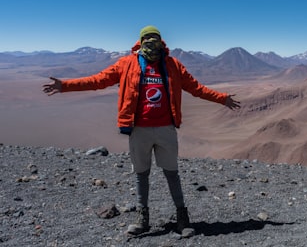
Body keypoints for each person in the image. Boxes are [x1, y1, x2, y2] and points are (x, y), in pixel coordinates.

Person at [42, 25, 241, 236]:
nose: (151, 42)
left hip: (165, 129)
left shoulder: (173, 65)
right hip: (138, 129)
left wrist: (222, 98)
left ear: (161, 41)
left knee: (172, 173)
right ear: (140, 41)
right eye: (147, 38)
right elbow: (98, 80)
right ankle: (142, 218)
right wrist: (65, 86)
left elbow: (196, 88)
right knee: (141, 174)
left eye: (155, 38)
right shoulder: (127, 64)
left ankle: (182, 218)